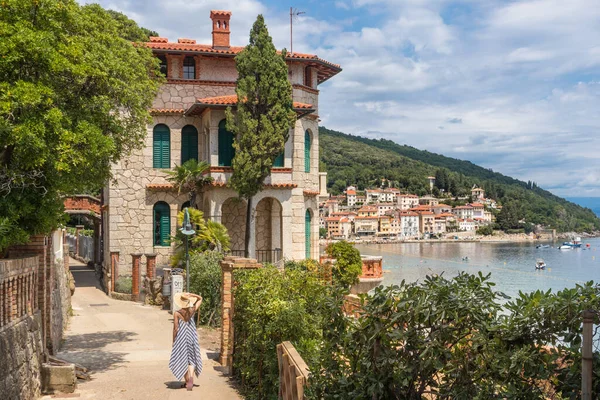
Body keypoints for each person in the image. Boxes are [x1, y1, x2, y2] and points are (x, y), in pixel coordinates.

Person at [169, 292, 203, 391]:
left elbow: (176, 328)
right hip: (191, 336)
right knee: (191, 359)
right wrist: (192, 295)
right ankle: (191, 378)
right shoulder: (192, 310)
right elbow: (200, 298)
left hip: (181, 338)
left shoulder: (177, 313)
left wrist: (174, 340)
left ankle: (187, 381)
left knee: (181, 358)